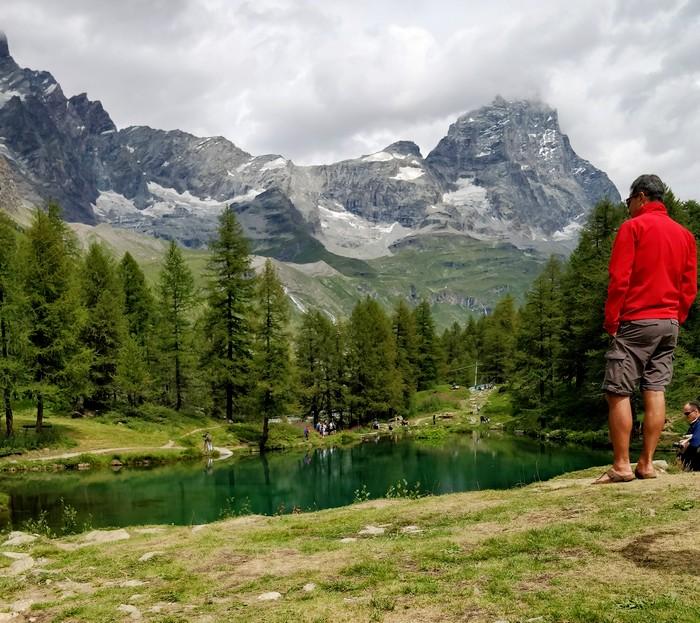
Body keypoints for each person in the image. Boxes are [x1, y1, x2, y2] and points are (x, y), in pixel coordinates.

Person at [595, 174, 697, 484]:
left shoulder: (633, 228)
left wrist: (612, 321)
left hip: (637, 320)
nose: (627, 208)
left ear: (641, 197)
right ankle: (647, 464)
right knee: (655, 389)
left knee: (618, 391)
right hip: (669, 323)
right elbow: (689, 286)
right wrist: (676, 317)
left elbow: (620, 279)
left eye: (628, 201)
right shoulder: (685, 236)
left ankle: (622, 466)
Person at [678, 401, 700, 471]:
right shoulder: (694, 424)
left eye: (687, 413)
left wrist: (686, 443)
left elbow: (695, 443)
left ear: (696, 412)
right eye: (684, 414)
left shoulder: (698, 423)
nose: (685, 416)